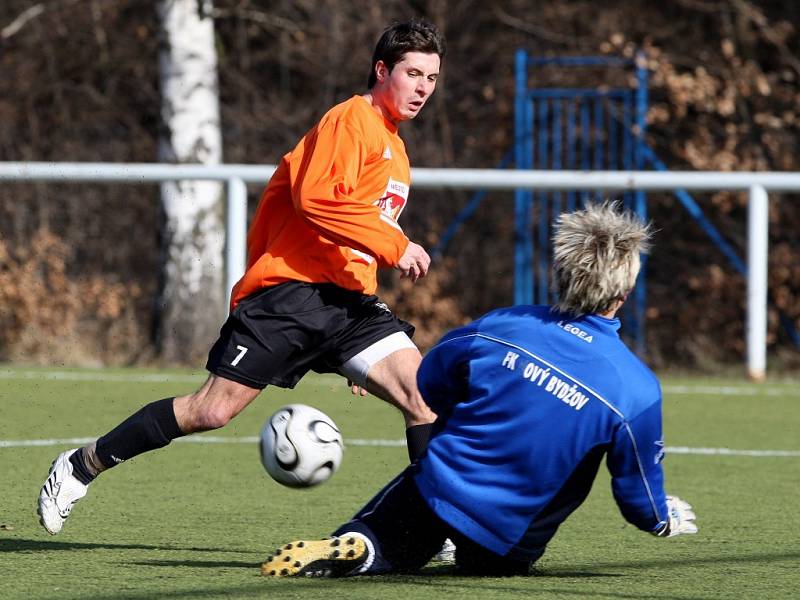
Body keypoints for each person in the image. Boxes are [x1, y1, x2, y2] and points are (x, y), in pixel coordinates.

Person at [38, 18, 446, 535]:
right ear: (382, 70)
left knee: (421, 397)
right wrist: (397, 245)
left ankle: (436, 524)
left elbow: (357, 233)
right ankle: (81, 465)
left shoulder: (397, 149)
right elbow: (318, 200)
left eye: (431, 78)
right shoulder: (350, 122)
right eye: (413, 73)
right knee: (210, 411)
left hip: (347, 307)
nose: (423, 88)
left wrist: (362, 340)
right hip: (290, 296)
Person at [261, 202, 698, 578]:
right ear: (624, 292)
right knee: (488, 560)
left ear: (561, 274)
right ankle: (467, 547)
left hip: (438, 487)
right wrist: (662, 519)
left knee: (387, 536)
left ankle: (364, 544)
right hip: (508, 535)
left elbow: (430, 382)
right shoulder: (636, 388)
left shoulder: (503, 325)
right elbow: (636, 498)